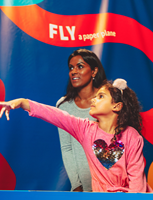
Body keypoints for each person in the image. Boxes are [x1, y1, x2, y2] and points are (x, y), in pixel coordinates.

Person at [0, 79, 153, 192]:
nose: (93, 99)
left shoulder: (132, 136)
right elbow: (57, 115)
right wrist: (23, 102)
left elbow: (137, 179)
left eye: (101, 96)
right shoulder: (85, 129)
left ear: (117, 106)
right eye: (95, 95)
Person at [56, 49, 107, 192]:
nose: (73, 71)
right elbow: (67, 148)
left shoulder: (107, 101)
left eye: (80, 66)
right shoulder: (64, 106)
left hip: (109, 185)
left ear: (94, 71)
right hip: (83, 188)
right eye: (71, 68)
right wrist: (76, 185)